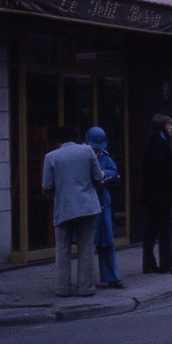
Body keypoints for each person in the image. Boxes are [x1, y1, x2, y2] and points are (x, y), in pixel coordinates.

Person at [42, 125, 105, 297]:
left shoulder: (51, 157)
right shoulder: (87, 152)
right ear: (75, 137)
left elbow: (47, 185)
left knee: (62, 249)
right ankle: (85, 287)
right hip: (87, 206)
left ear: (58, 140)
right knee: (85, 248)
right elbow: (99, 177)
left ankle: (63, 288)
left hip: (64, 207)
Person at [142, 114, 172, 274]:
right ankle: (166, 264)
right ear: (162, 126)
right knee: (164, 230)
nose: (171, 128)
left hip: (155, 195)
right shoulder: (159, 144)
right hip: (161, 195)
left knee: (152, 229)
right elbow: (163, 169)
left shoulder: (156, 142)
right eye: (169, 125)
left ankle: (149, 263)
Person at [86, 127, 124, 288]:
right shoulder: (83, 154)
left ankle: (112, 277)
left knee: (106, 240)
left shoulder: (105, 156)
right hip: (87, 200)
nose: (96, 150)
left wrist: (105, 177)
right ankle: (85, 281)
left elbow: (115, 172)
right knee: (85, 242)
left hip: (102, 200)